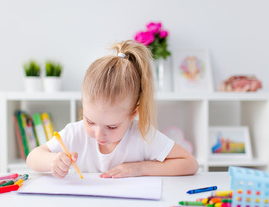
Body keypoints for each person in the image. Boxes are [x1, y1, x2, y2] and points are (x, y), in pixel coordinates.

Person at [27, 40, 198, 178]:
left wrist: (139, 168)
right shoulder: (75, 133)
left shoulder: (143, 136)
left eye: (112, 126)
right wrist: (53, 161)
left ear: (134, 113)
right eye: (90, 121)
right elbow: (32, 158)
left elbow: (189, 163)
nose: (99, 134)